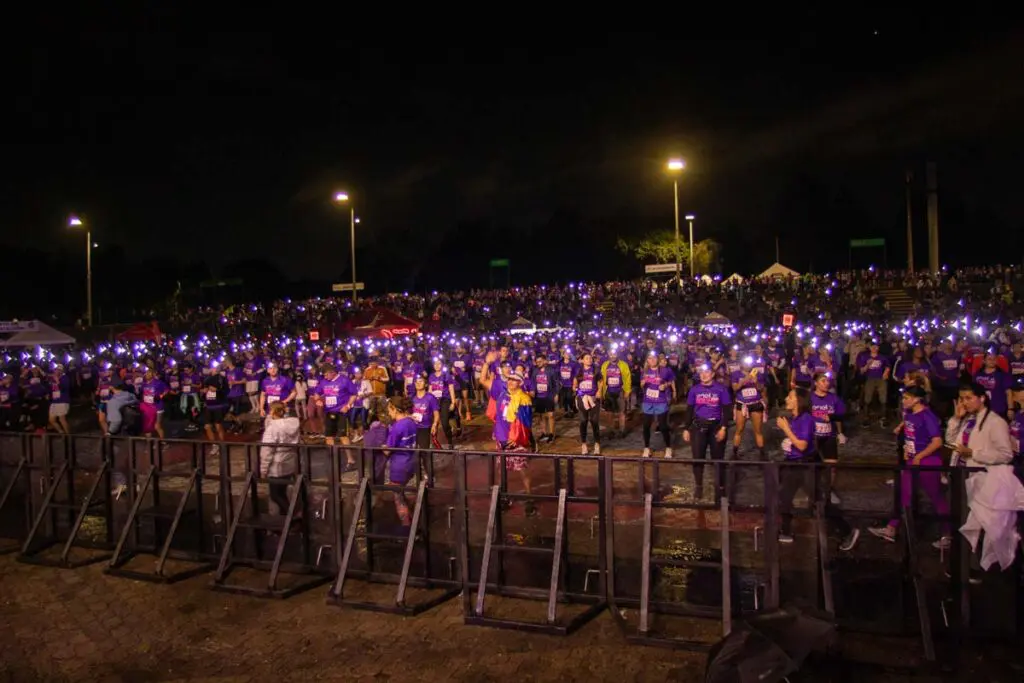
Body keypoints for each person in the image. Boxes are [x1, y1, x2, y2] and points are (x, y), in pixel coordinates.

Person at [868, 385, 950, 547]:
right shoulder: (909, 415)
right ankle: (892, 528)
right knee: (904, 494)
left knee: (935, 497)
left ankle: (947, 534)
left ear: (917, 399)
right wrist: (907, 449)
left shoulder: (928, 416)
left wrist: (920, 455)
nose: (903, 401)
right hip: (912, 460)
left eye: (906, 398)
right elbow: (911, 437)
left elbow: (937, 441)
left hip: (927, 461)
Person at [776, 387, 819, 544]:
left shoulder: (806, 419)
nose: (786, 399)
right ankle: (785, 531)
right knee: (784, 498)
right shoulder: (795, 418)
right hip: (792, 463)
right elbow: (796, 441)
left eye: (790, 396)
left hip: (804, 465)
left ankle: (846, 531)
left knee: (818, 500)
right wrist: (787, 443)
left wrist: (786, 429)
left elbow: (802, 445)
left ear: (798, 401)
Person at [684, 363, 731, 499]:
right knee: (698, 457)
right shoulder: (694, 390)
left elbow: (727, 410)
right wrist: (686, 428)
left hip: (716, 426)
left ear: (712, 374)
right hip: (699, 426)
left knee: (718, 458)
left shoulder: (721, 389)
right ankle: (699, 486)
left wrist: (724, 428)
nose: (704, 375)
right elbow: (689, 410)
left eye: (707, 372)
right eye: (701, 372)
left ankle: (720, 487)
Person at [259, 401, 302, 522]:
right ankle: (285, 519)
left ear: (273, 412)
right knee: (281, 492)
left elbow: (267, 450)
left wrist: (263, 469)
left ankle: (292, 517)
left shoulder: (273, 428)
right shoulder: (292, 424)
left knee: (275, 494)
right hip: (289, 460)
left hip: (277, 464)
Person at [639, 352, 675, 458]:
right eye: (650, 358)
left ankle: (668, 448)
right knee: (646, 426)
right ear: (647, 360)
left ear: (658, 359)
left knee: (663, 426)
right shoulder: (645, 371)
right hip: (648, 401)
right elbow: (641, 384)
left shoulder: (665, 370)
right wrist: (642, 384)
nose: (652, 360)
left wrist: (665, 385)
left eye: (654, 358)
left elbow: (671, 381)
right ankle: (646, 448)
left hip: (661, 401)